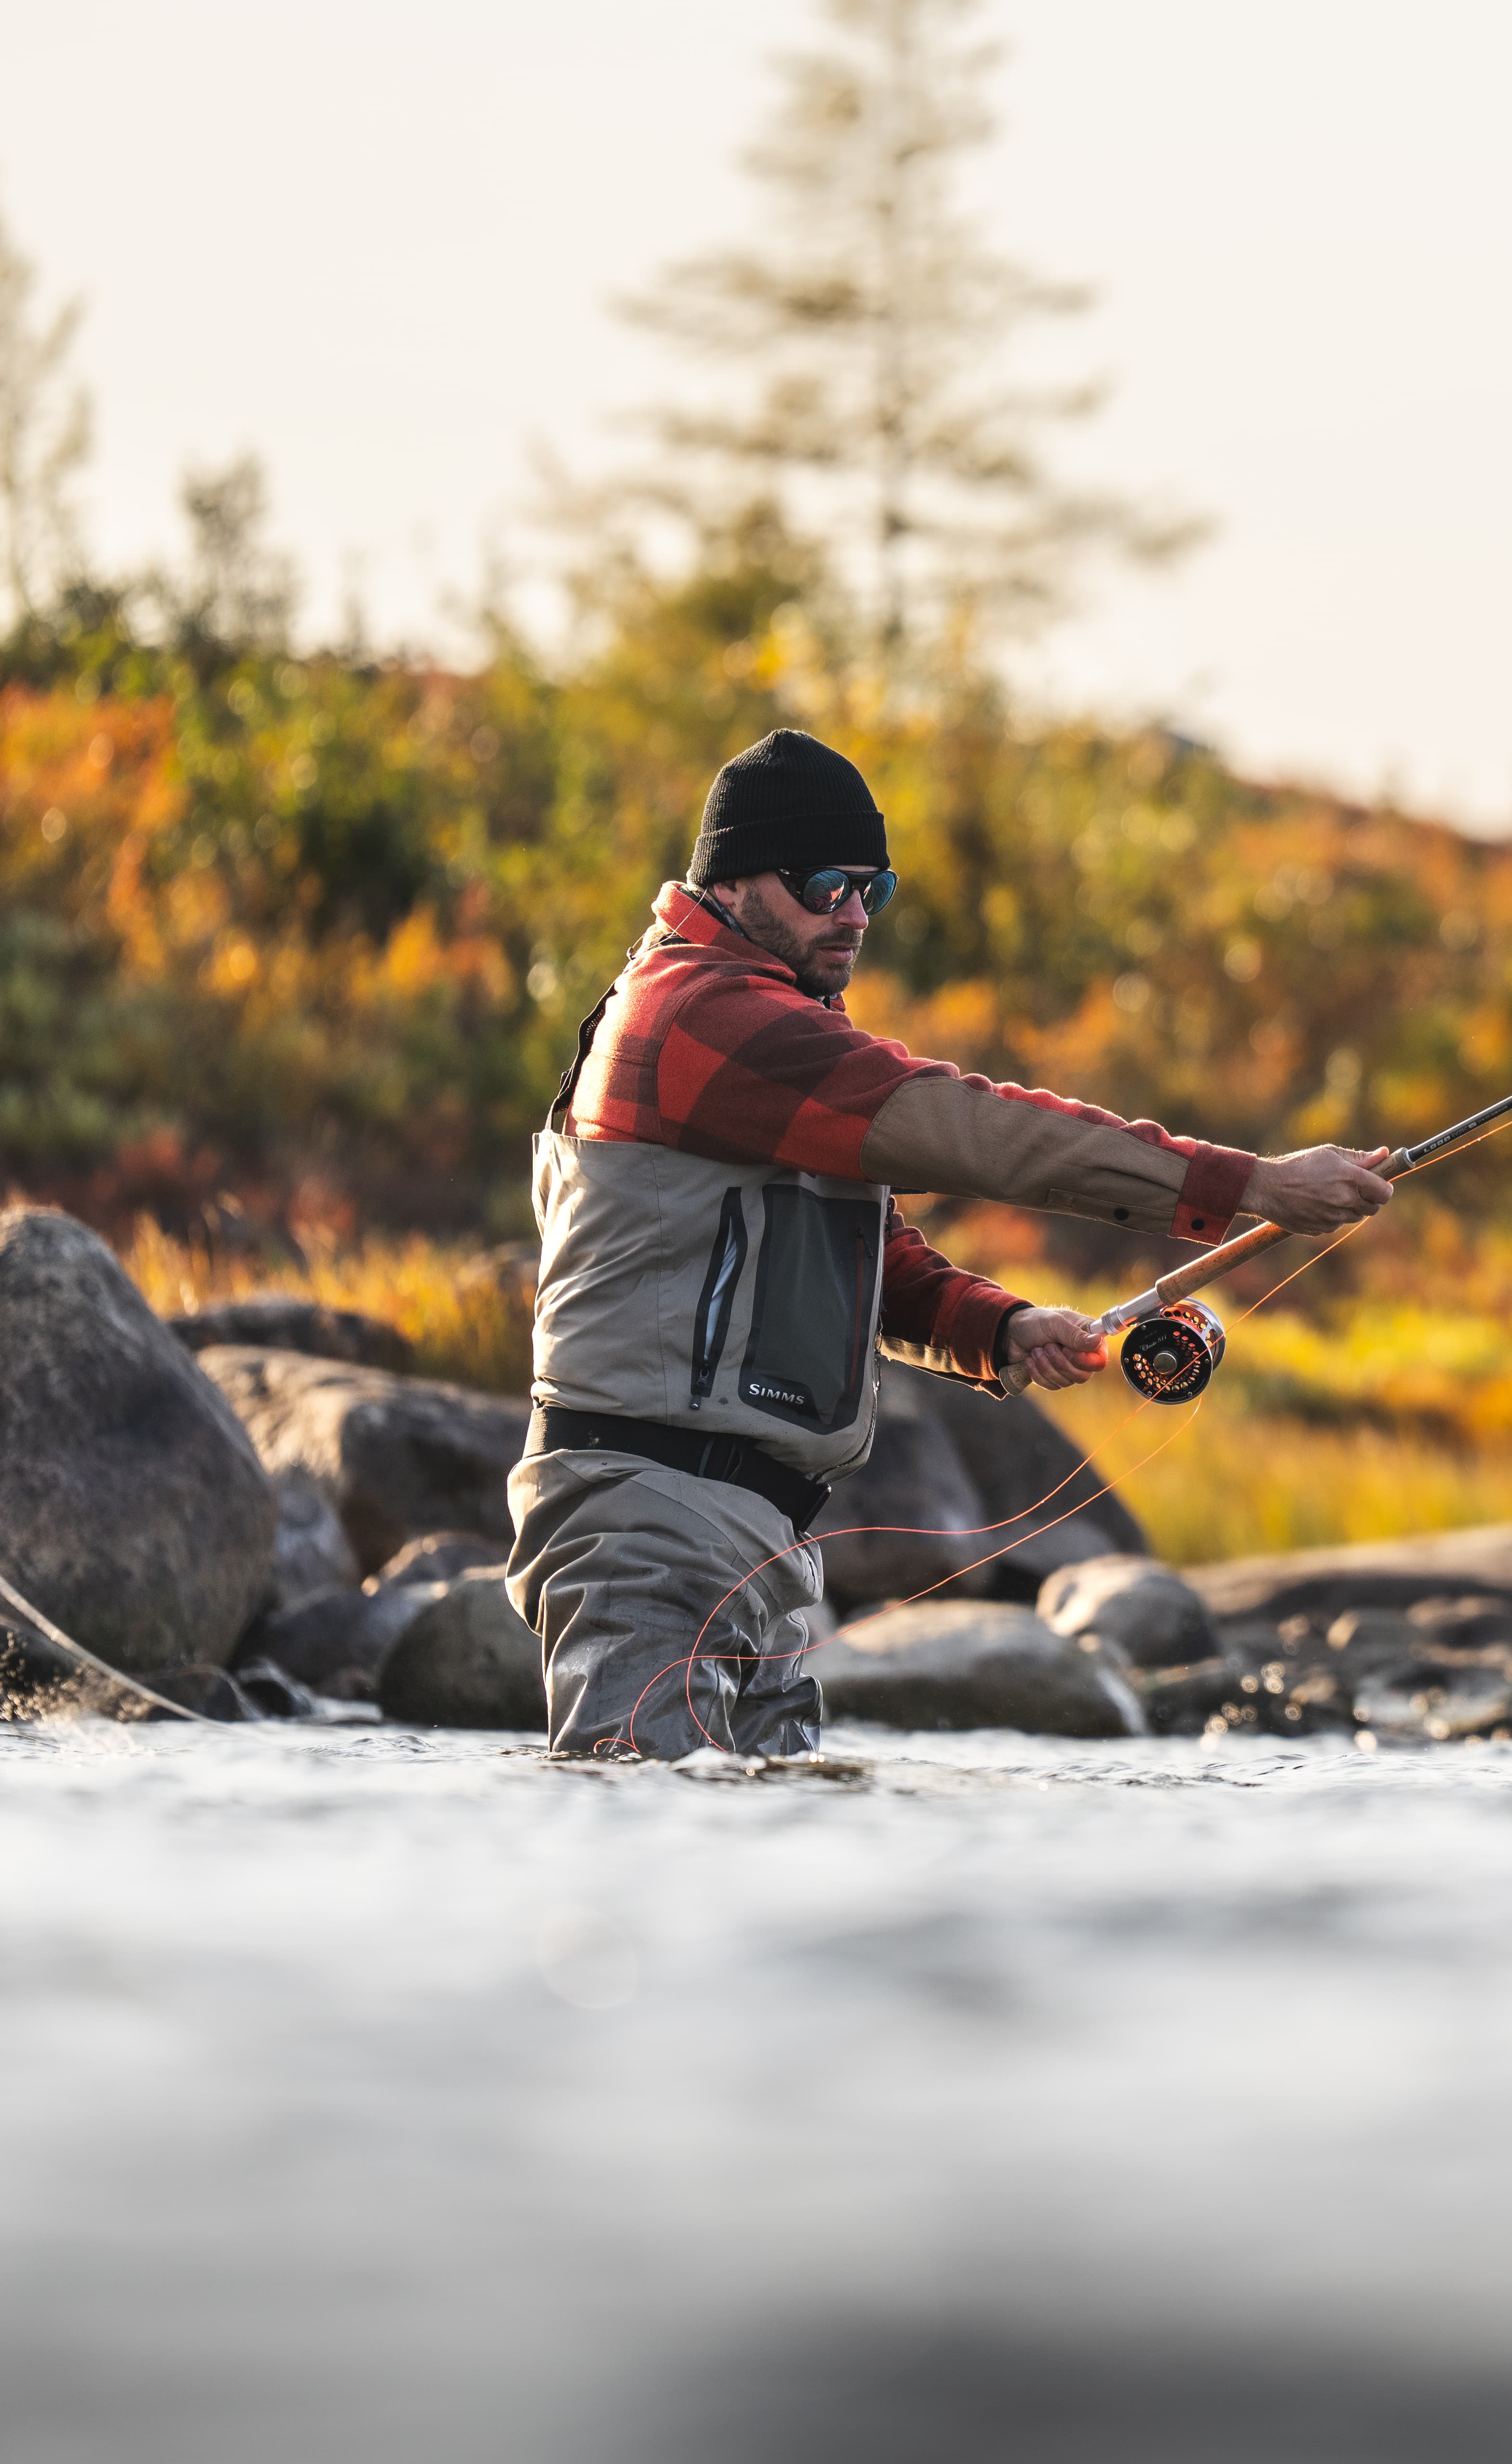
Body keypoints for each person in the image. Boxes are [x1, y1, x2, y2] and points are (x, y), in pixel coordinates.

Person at [509, 726, 1392, 1757]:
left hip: (752, 1539)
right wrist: (1251, 1185)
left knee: (761, 1852)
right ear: (736, 880)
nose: (852, 915)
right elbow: (975, 1130)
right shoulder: (708, 1017)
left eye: (870, 890)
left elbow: (865, 1259)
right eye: (824, 885)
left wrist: (999, 1330)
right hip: (653, 1523)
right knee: (644, 1829)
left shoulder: (772, 1031)